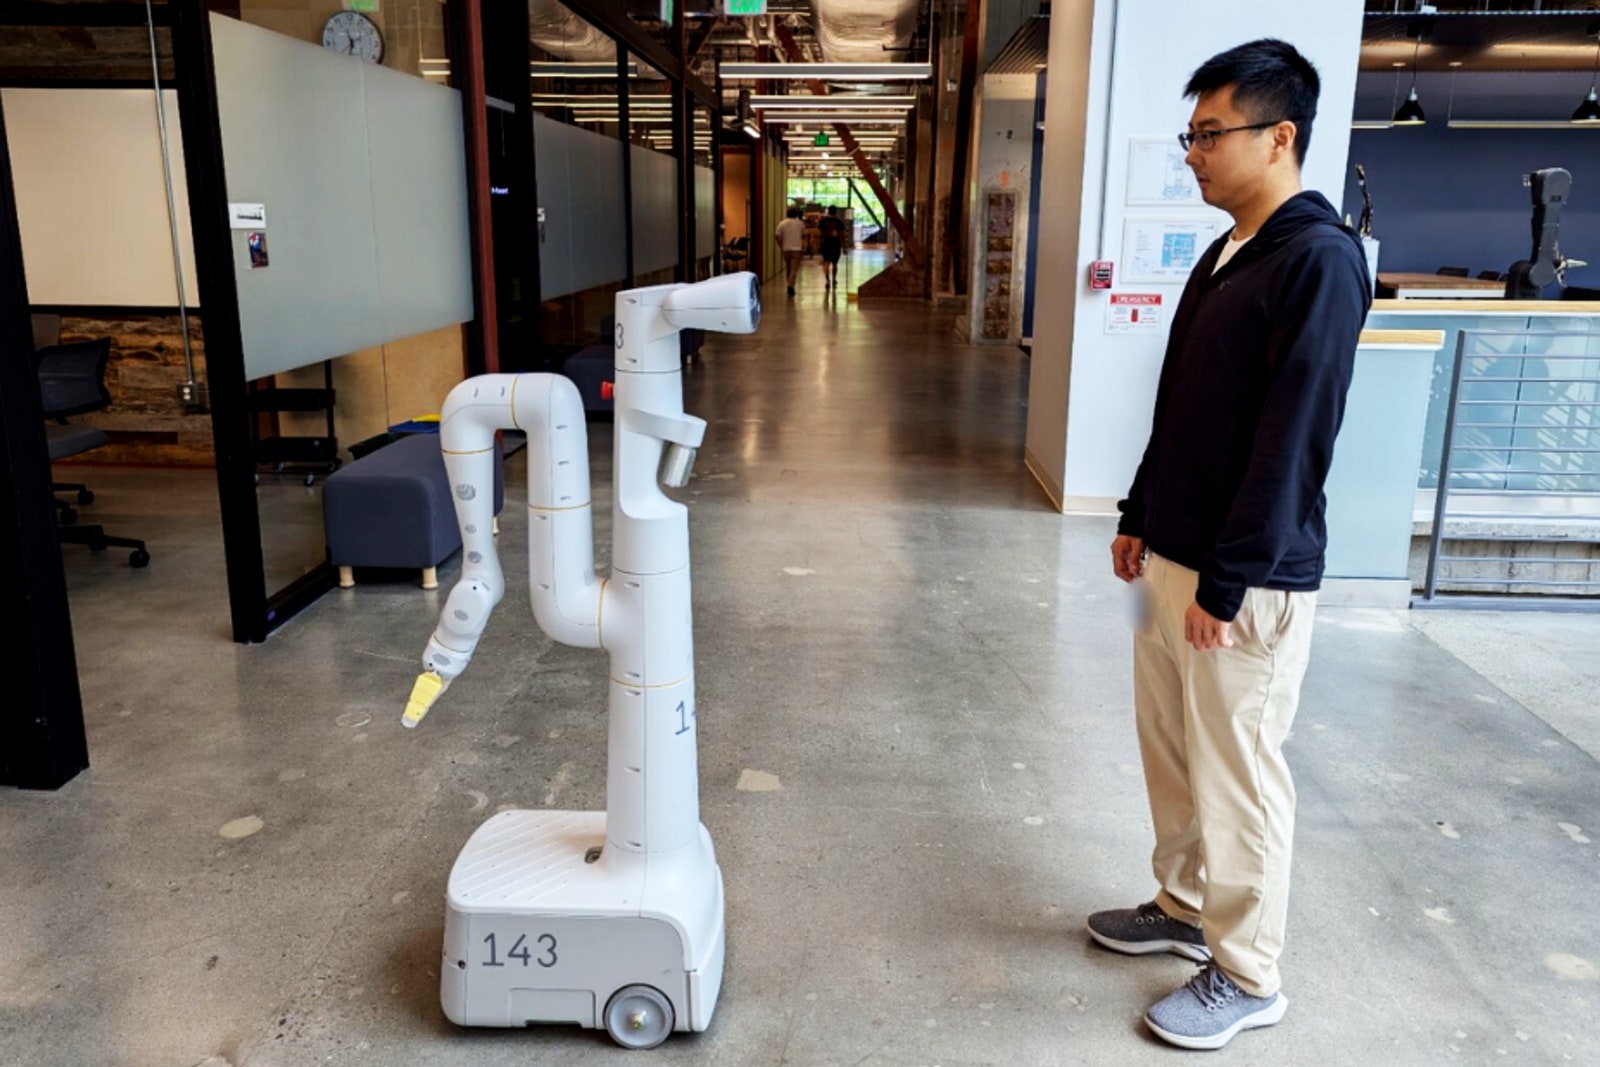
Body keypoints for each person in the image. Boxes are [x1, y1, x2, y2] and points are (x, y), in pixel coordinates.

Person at [1087, 39, 1371, 1052]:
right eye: (1191, 135)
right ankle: (1180, 901)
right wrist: (1136, 512)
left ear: (1278, 136)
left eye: (1210, 135)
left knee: (1238, 768)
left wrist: (1229, 575)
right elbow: (1183, 409)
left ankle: (1247, 969)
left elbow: (1291, 436)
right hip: (1172, 555)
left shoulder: (1318, 259)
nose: (1194, 155)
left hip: (1237, 579)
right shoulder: (1224, 253)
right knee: (1171, 746)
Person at [776, 207, 805, 296]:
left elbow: (777, 235)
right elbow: (803, 235)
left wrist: (780, 245)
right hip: (797, 249)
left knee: (788, 267)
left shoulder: (782, 223)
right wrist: (802, 246)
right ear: (796, 214)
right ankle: (790, 286)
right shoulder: (800, 223)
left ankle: (789, 283)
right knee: (793, 269)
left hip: (786, 249)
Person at [817, 207, 845, 290]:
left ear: (828, 212)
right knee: (835, 263)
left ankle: (827, 281)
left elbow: (820, 235)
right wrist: (844, 247)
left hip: (826, 243)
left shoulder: (823, 222)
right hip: (836, 244)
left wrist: (819, 245)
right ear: (836, 212)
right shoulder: (839, 222)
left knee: (826, 262)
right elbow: (842, 235)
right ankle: (834, 279)